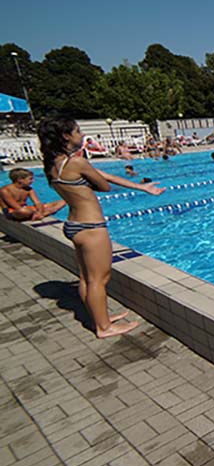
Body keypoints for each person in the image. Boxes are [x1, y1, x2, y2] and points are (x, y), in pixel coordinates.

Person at [37, 117, 164, 338]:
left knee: (86, 278)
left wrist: (140, 187)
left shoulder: (53, 165)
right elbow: (103, 185)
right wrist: (96, 181)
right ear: (66, 136)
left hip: (74, 225)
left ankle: (99, 317)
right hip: (92, 227)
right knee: (99, 280)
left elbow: (102, 174)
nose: (82, 134)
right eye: (77, 130)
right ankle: (104, 327)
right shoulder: (77, 163)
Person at [1, 168, 66, 221]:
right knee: (23, 211)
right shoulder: (5, 190)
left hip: (28, 209)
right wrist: (36, 211)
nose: (33, 181)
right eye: (30, 179)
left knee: (63, 201)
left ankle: (41, 214)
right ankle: (46, 212)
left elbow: (37, 202)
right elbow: (16, 206)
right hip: (13, 212)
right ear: (20, 180)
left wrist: (39, 212)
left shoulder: (28, 189)